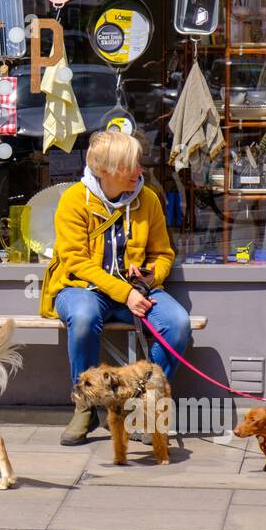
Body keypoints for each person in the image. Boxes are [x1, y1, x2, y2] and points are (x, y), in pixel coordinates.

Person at [39, 130, 191, 446]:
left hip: (134, 290)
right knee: (82, 318)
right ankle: (85, 406)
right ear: (107, 170)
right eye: (132, 164)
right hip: (82, 287)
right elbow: (76, 262)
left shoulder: (148, 199)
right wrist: (126, 293)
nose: (140, 169)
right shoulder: (73, 201)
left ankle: (140, 405)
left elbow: (163, 253)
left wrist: (149, 276)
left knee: (177, 324)